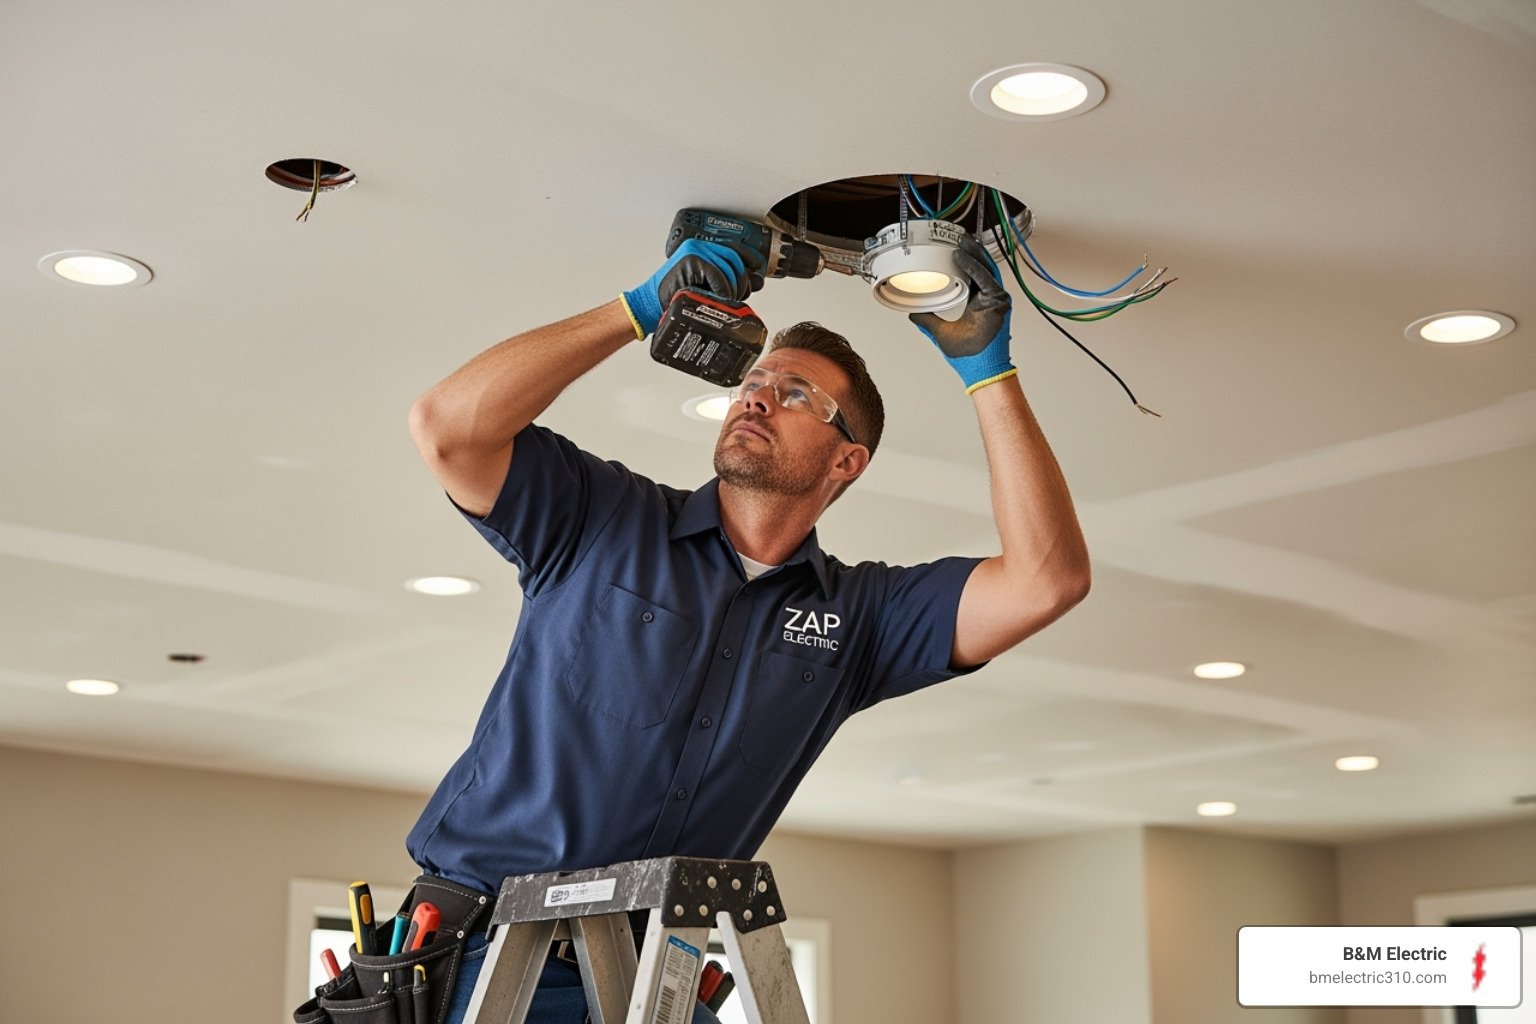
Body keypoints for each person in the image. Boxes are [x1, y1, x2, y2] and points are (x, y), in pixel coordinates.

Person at [402, 233, 1091, 1023]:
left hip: (652, 976)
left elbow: (1048, 580)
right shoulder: (605, 519)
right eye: (753, 383)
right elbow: (447, 428)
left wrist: (987, 373)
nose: (757, 396)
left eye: (797, 395)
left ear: (847, 462)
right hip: (487, 959)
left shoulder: (859, 619)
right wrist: (637, 309)